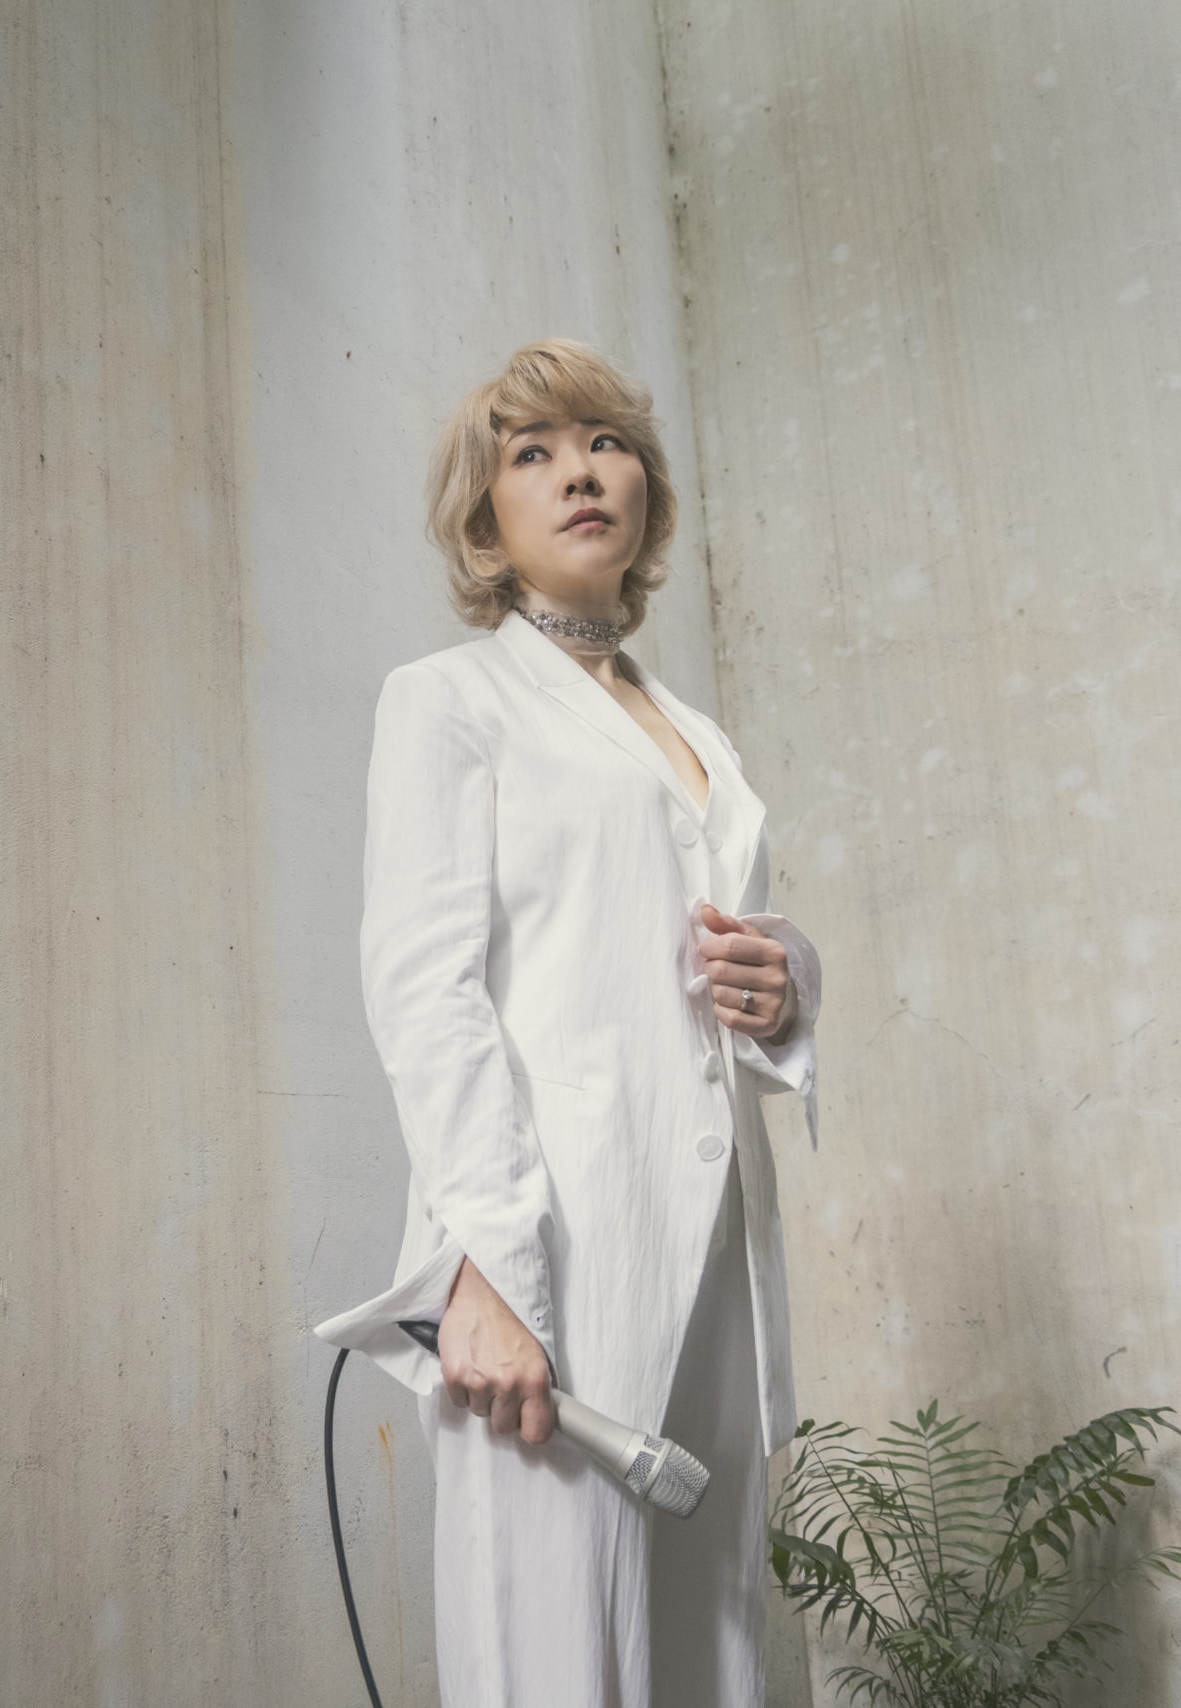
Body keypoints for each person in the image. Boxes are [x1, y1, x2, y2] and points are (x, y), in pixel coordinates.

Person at [315, 340, 824, 1706]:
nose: (579, 472)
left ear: (645, 489)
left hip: (710, 1256)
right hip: (551, 1257)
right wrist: (487, 1269)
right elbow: (426, 992)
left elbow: (704, 957)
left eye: (604, 443)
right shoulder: (449, 701)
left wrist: (786, 987)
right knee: (556, 1663)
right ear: (487, 517)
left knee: (716, 1666)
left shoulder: (697, 734)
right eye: (532, 454)